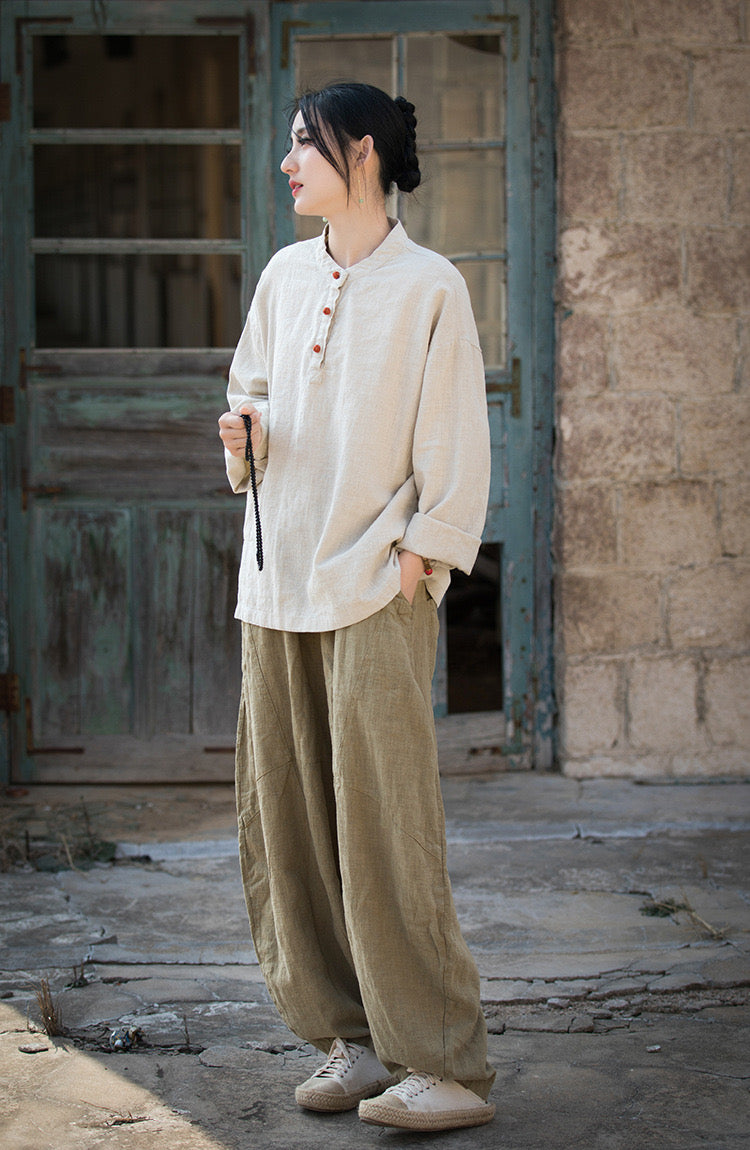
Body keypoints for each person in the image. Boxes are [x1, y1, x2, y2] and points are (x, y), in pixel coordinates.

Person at [218, 82, 495, 1133]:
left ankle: (445, 1064)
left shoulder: (431, 287)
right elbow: (253, 393)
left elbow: (455, 442)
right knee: (288, 827)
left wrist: (419, 558)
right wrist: (245, 432)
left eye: (305, 144)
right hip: (275, 587)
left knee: (386, 831)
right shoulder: (284, 276)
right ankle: (353, 1042)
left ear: (362, 151)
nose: (287, 162)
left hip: (375, 586)